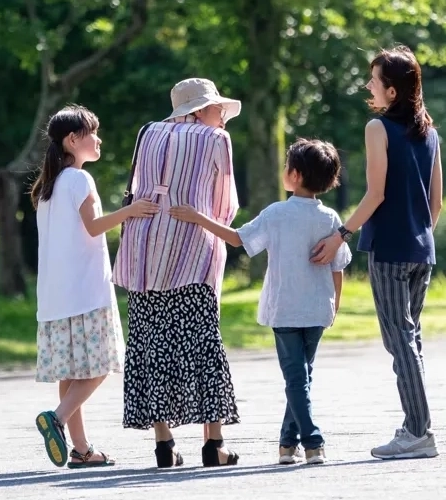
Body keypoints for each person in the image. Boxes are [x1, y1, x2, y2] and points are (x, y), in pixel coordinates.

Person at [170, 138, 352, 466]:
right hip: (317, 309)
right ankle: (287, 445)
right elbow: (338, 267)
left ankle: (311, 442)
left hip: (285, 309)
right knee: (301, 378)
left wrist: (198, 218)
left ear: (295, 175)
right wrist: (334, 305)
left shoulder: (277, 213)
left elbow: (238, 238)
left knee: (297, 379)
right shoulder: (331, 218)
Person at [309, 45, 444, 460]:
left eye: (374, 79)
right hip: (422, 249)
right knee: (411, 340)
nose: (369, 84)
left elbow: (376, 194)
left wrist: (341, 234)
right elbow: (436, 203)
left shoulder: (377, 129)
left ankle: (418, 432)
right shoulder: (431, 132)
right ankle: (415, 427)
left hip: (388, 249)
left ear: (392, 90)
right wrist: (418, 235)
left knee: (400, 342)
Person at [111, 78, 242, 468]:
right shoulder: (215, 139)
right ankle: (214, 444)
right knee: (202, 343)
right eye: (219, 109)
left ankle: (164, 444)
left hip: (143, 251)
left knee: (150, 344)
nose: (223, 117)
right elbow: (225, 203)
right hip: (191, 248)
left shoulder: (147, 132)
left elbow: (137, 186)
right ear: (201, 110)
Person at [30, 105, 160, 469]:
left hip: (54, 297)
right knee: (102, 364)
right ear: (73, 140)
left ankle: (82, 450)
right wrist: (131, 211)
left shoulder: (47, 187)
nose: (98, 139)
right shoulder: (80, 179)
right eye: (93, 133)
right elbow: (93, 226)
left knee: (71, 374)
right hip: (86, 290)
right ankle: (54, 419)